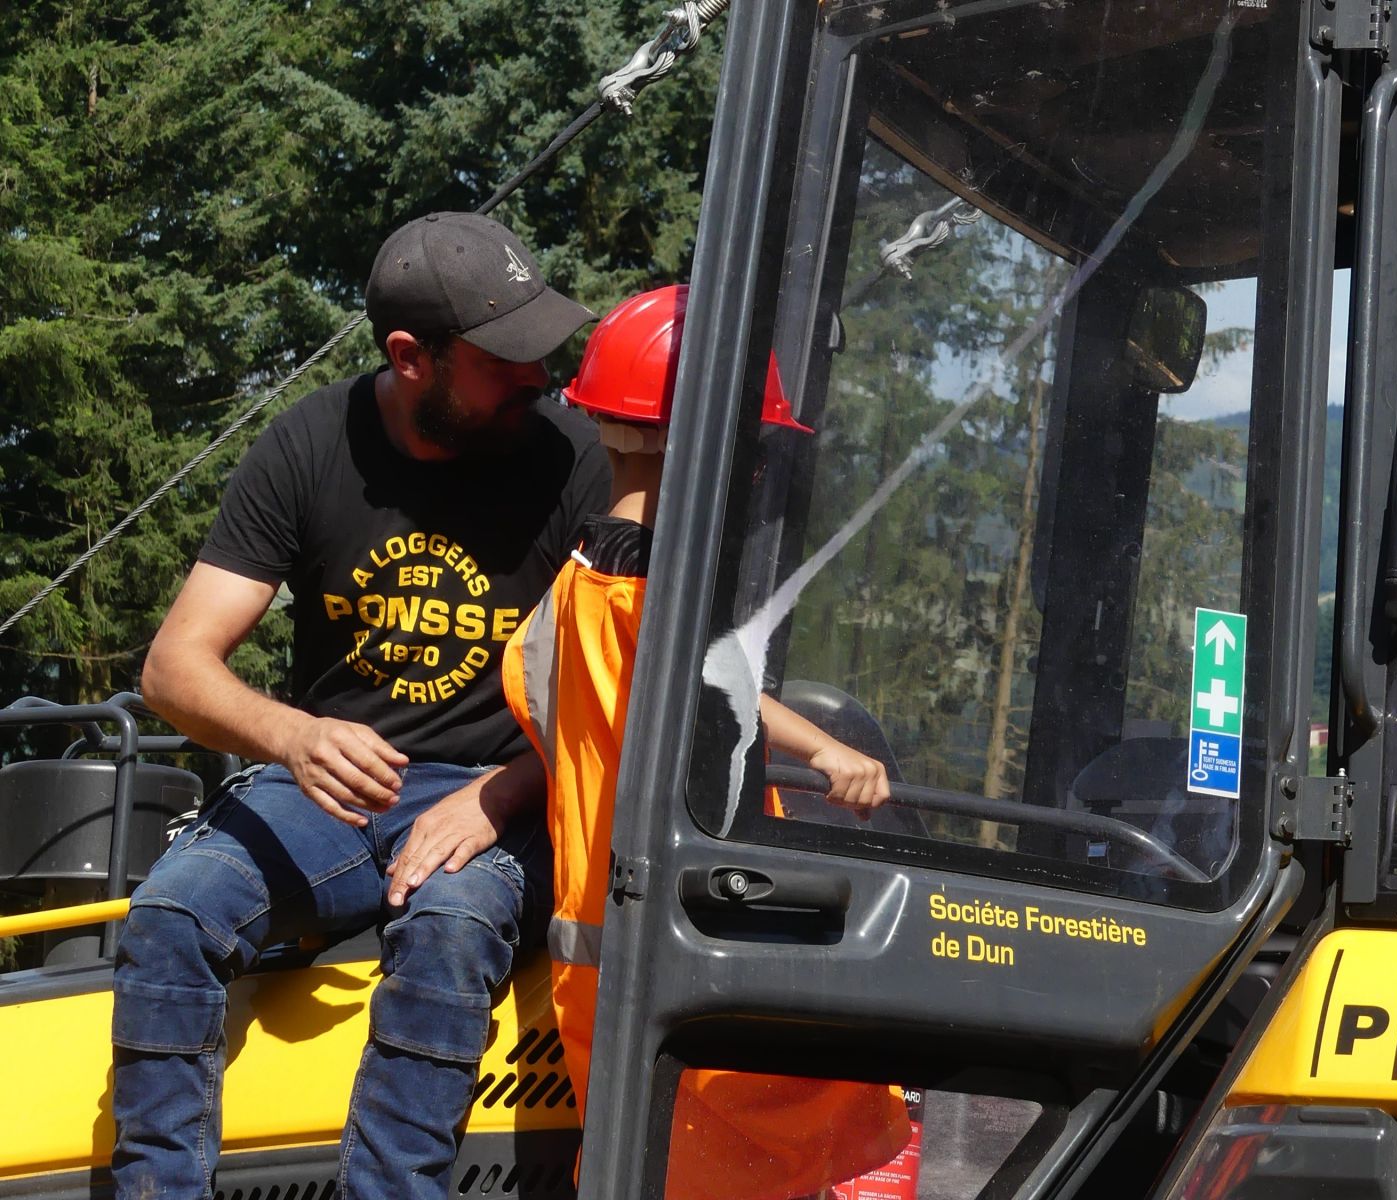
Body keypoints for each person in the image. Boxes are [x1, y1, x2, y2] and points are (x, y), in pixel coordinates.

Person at [112, 211, 611, 1200]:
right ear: (411, 357)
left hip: (507, 789)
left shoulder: (574, 457)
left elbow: (625, 688)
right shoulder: (307, 444)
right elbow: (174, 668)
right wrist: (293, 736)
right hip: (330, 793)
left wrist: (501, 794)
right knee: (170, 915)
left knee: (452, 926)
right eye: (503, 359)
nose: (539, 375)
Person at [502, 284, 911, 1200]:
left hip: (602, 964)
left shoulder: (568, 596)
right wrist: (829, 753)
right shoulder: (652, 600)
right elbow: (713, 689)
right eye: (754, 448)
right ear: (714, 447)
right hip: (692, 960)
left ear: (602, 422)